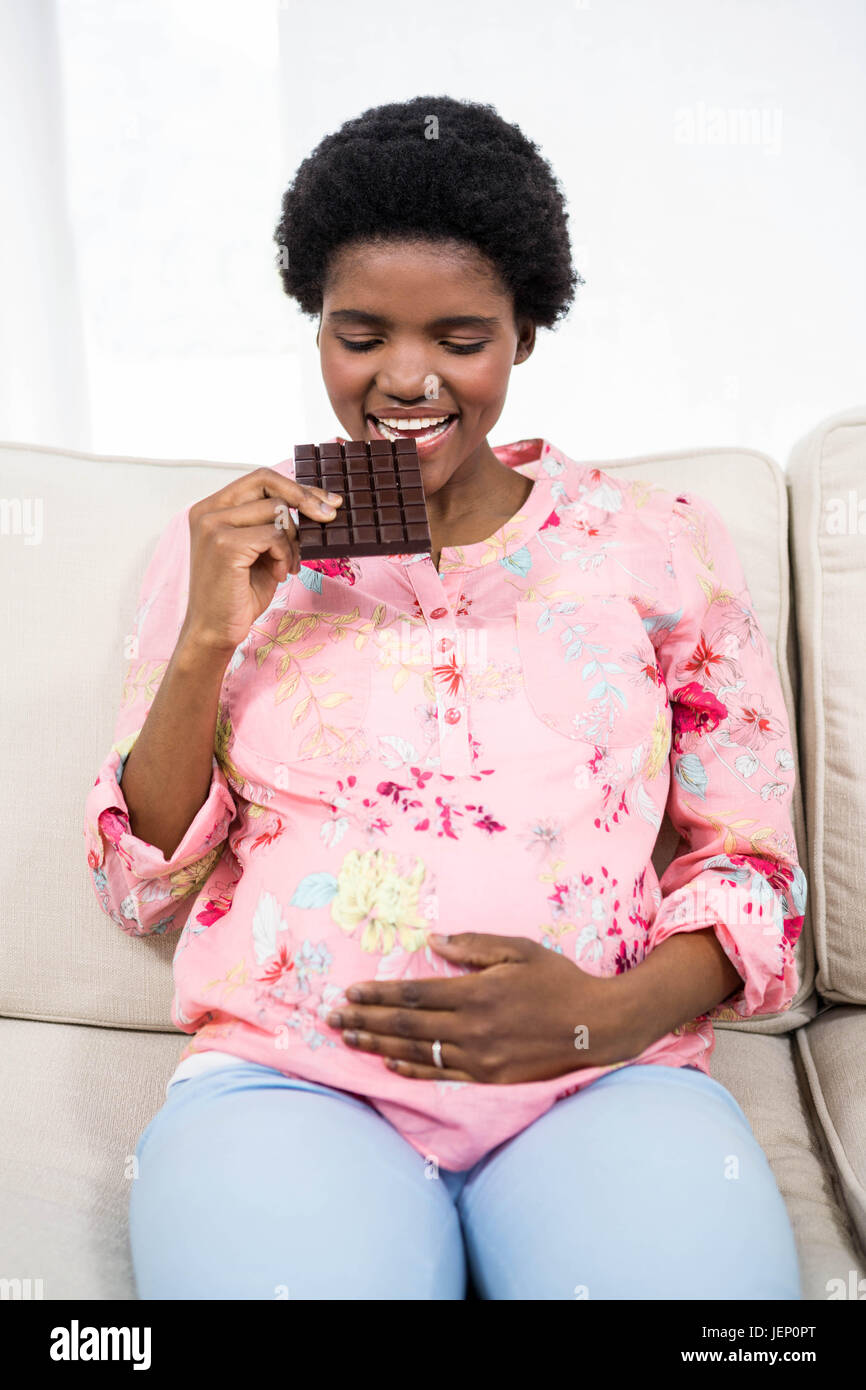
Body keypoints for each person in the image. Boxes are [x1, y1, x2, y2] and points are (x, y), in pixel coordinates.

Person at [84, 95, 807, 1300]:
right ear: (315, 328)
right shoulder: (224, 550)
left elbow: (753, 873)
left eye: (459, 338)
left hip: (602, 1078)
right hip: (292, 1079)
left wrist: (599, 1019)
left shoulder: (653, 546)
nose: (405, 377)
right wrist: (212, 629)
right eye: (358, 332)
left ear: (524, 333)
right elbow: (140, 873)